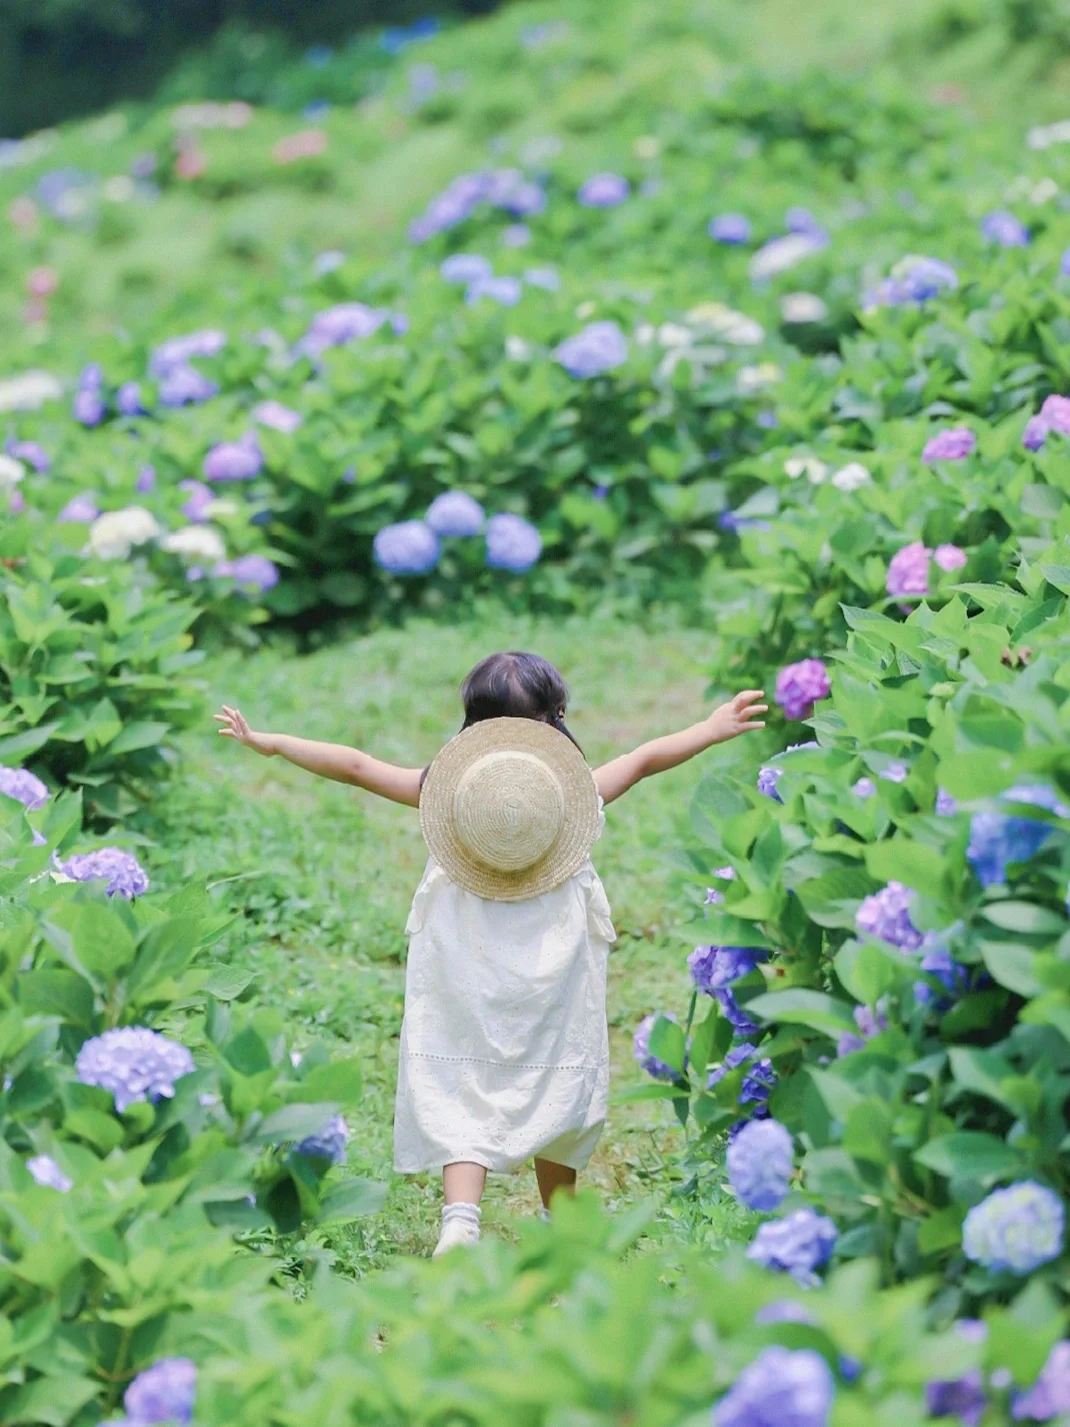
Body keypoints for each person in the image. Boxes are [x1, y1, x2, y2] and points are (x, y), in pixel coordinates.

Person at [215, 651, 765, 1256]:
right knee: (557, 1070)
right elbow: (644, 759)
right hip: (553, 973)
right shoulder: (571, 796)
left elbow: (353, 765)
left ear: (472, 730)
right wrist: (710, 730)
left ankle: (460, 1221)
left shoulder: (444, 796)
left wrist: (270, 743)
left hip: (464, 964)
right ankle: (562, 1222)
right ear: (558, 721)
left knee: (461, 1071)